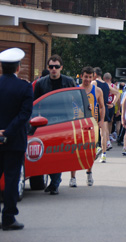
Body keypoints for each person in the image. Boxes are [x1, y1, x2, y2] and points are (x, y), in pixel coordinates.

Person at [33, 54, 76, 193]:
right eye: (51, 67)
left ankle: (55, 183)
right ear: (48, 67)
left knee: (58, 153)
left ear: (61, 67)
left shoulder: (69, 81)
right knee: (47, 153)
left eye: (56, 67)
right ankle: (54, 181)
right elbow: (34, 104)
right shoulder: (41, 83)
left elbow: (77, 99)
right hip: (46, 122)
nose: (53, 69)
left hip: (64, 121)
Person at [0, 48, 33, 231]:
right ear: (18, 67)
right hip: (14, 141)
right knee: (12, 180)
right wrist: (7, 132)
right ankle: (8, 218)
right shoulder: (24, 87)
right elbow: (24, 114)